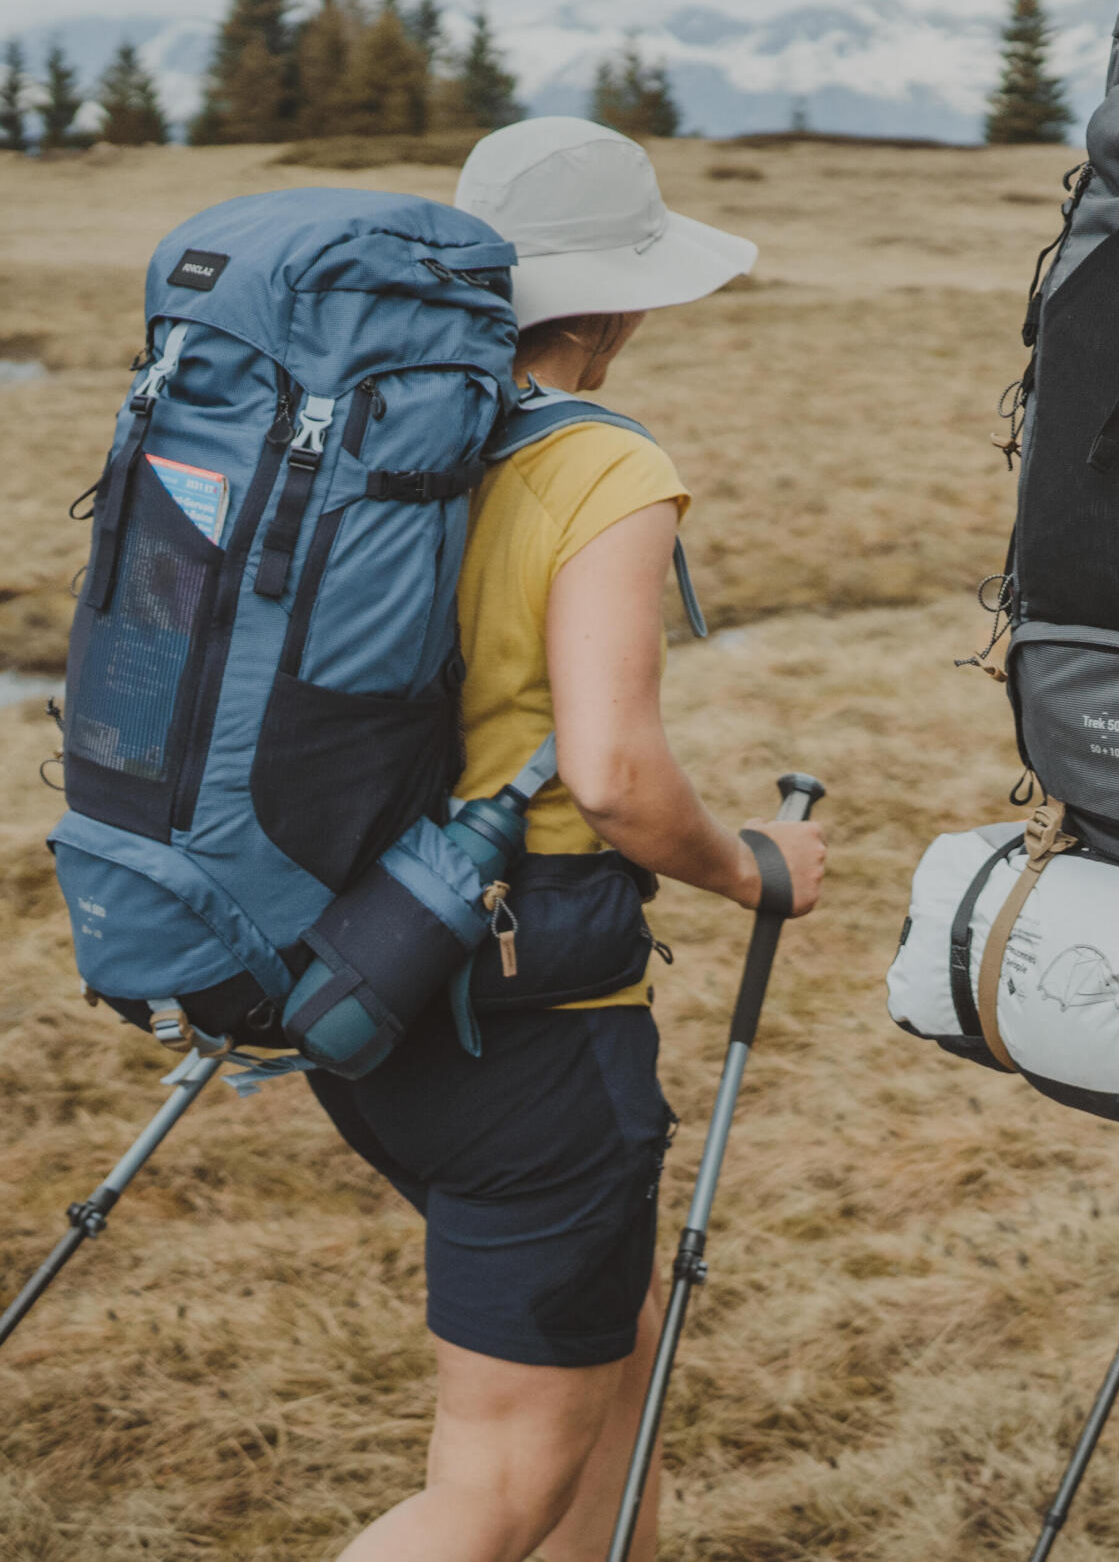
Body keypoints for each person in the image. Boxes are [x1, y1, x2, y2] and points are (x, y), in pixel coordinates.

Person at [310, 117, 827, 1562]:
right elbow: (609, 772)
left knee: (615, 1355)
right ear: (618, 303)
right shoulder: (602, 470)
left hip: (366, 970)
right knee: (496, 1486)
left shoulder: (377, 432)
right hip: (532, 1029)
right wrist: (747, 868)